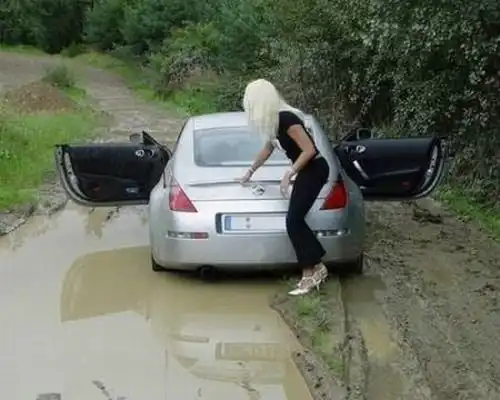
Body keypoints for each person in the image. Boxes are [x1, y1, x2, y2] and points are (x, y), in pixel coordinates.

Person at [239, 79, 330, 296]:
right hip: (306, 170)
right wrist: (250, 172)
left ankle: (313, 270)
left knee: (293, 221)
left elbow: (310, 150)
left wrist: (290, 173)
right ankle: (313, 269)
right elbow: (267, 149)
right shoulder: (274, 122)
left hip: (315, 169)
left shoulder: (287, 118)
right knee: (294, 220)